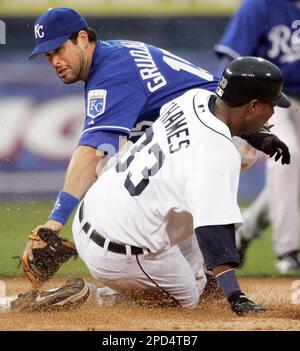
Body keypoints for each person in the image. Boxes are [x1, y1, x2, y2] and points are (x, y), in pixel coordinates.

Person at [23, 7, 290, 264]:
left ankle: (147, 268)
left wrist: (55, 221)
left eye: (58, 50)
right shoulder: (116, 53)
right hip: (228, 126)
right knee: (129, 175)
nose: (55, 61)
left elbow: (92, 152)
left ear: (82, 39)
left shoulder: (111, 75)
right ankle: (194, 269)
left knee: (110, 174)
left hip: (219, 131)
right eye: (48, 56)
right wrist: (256, 133)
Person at [215, 0, 300, 273]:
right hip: (270, 99)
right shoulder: (260, 5)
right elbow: (232, 59)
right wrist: (226, 111)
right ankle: (288, 250)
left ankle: (245, 230)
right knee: (290, 155)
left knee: (294, 171)